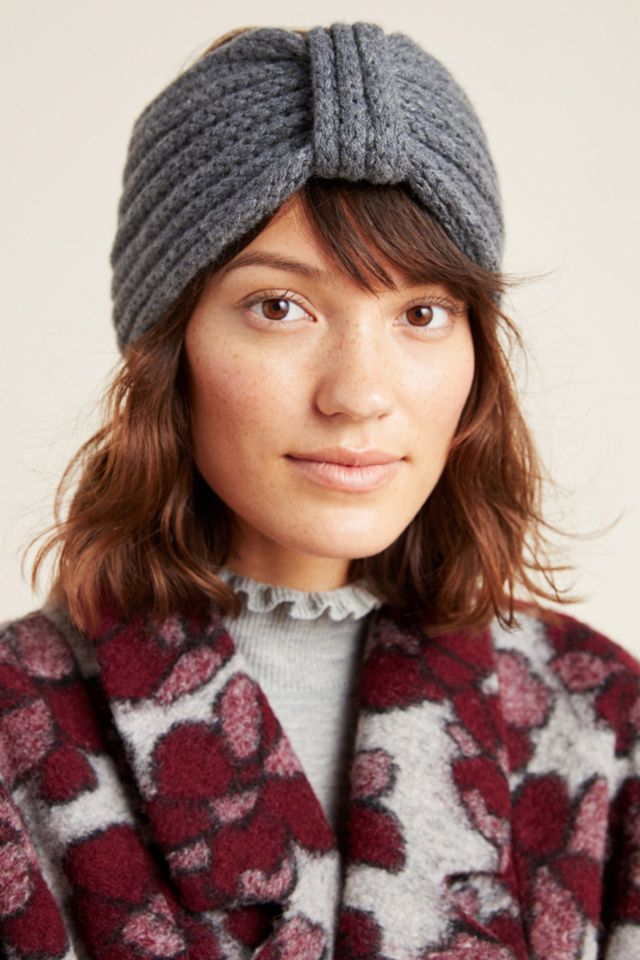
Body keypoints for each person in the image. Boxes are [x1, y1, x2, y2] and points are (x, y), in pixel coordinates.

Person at [0, 20, 637, 960]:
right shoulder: (18, 736)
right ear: (167, 346)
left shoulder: (602, 726)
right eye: (280, 307)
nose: (360, 394)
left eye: (423, 312)